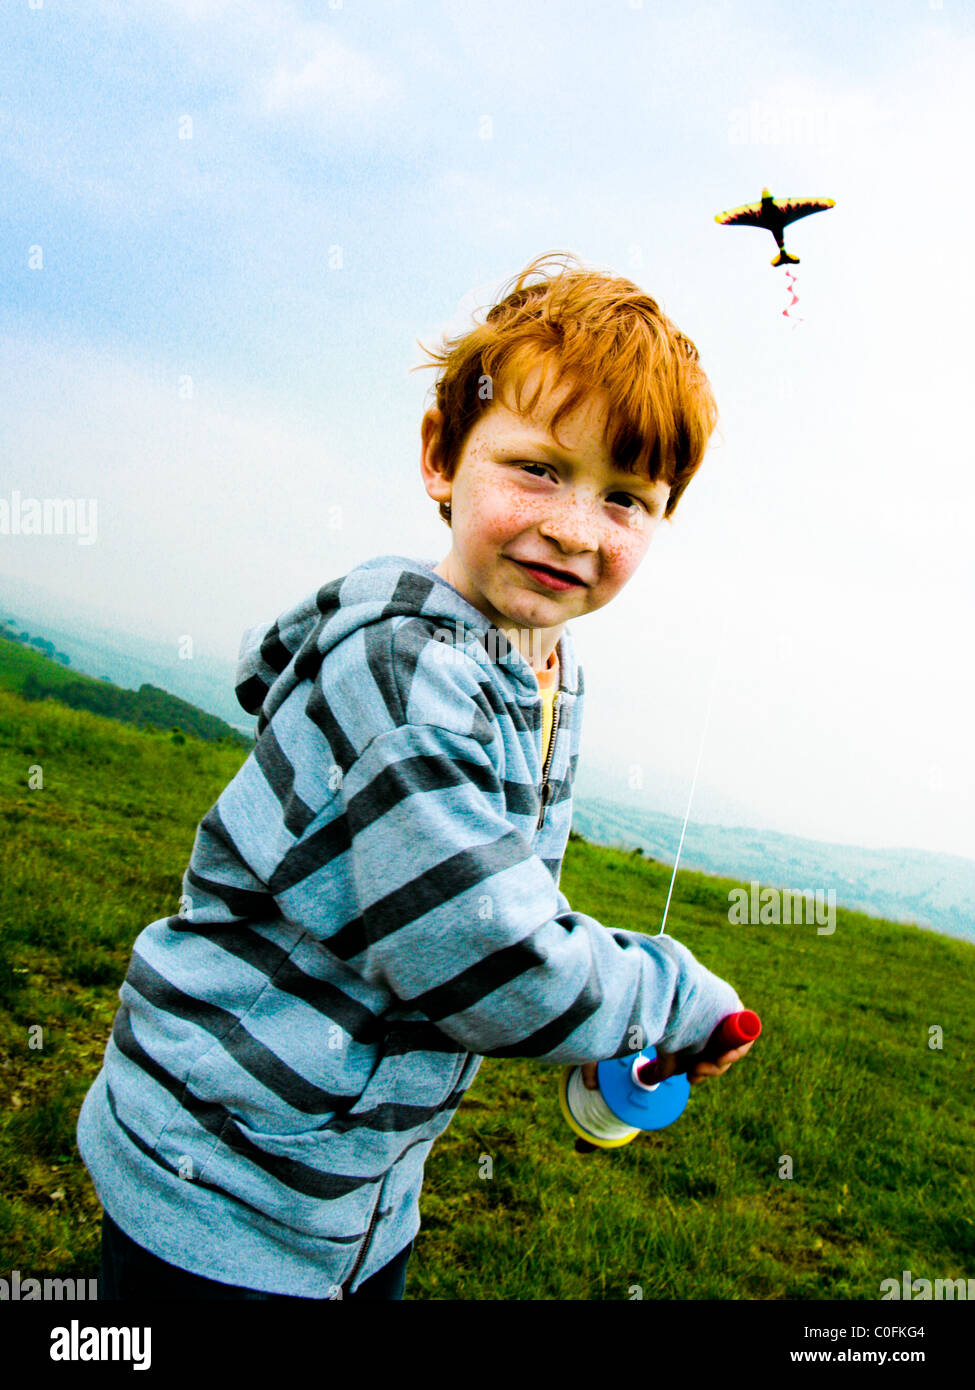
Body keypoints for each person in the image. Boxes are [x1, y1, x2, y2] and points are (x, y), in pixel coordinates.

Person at [76, 250, 755, 1302]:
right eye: (537, 468)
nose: (574, 528)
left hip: (355, 1192)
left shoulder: (548, 671)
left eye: (626, 497)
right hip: (221, 1183)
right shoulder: (403, 673)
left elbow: (501, 899)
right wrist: (661, 996)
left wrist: (602, 1020)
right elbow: (487, 955)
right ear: (442, 456)